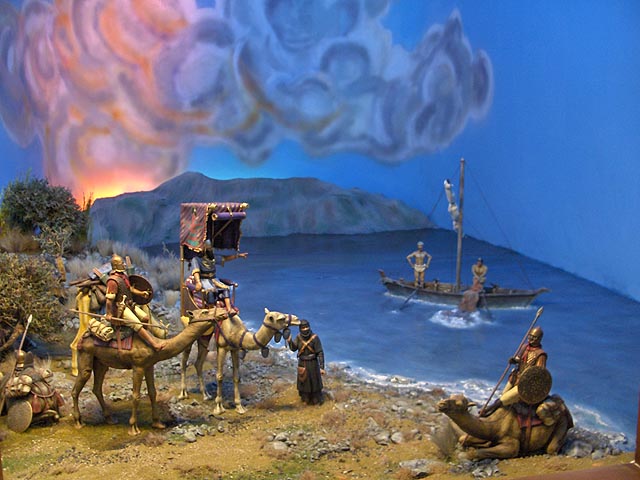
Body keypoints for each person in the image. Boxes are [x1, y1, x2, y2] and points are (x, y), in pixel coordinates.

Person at [105, 253, 166, 351]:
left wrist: (141, 293)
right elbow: (109, 300)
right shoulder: (112, 281)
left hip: (129, 305)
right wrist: (109, 314)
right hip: (119, 309)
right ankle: (154, 344)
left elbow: (130, 289)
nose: (124, 264)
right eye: (121, 263)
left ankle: (142, 339)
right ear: (116, 266)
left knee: (145, 318)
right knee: (137, 324)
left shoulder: (123, 276)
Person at [481, 326, 547, 416]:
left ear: (539, 339)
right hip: (515, 377)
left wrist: (529, 376)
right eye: (530, 336)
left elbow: (539, 372)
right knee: (503, 395)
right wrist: (514, 360)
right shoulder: (524, 347)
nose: (531, 338)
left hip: (526, 384)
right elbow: (519, 359)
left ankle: (487, 411)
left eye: (534, 337)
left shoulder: (541, 354)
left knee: (503, 399)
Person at [192, 240, 248, 316]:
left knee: (225, 289)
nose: (210, 250)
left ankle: (229, 309)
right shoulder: (196, 259)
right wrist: (198, 282)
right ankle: (212, 310)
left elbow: (225, 258)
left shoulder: (212, 258)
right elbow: (196, 271)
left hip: (214, 280)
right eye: (208, 249)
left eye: (210, 248)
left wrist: (238, 255)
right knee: (210, 291)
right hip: (204, 280)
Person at [286, 320, 325, 405]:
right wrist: (289, 341)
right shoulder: (298, 337)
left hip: (313, 363)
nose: (305, 329)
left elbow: (320, 352)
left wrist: (322, 367)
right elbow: (294, 348)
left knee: (314, 382)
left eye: (307, 327)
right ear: (300, 329)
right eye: (303, 328)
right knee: (303, 382)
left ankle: (315, 399)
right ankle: (305, 399)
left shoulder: (315, 338)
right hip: (302, 363)